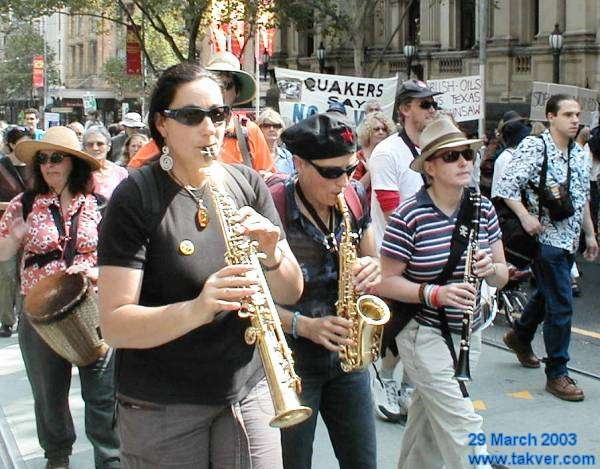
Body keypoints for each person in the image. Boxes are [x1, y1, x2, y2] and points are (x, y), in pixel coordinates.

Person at [97, 63, 303, 468]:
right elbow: (116, 325)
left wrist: (272, 252)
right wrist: (199, 308)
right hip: (163, 405)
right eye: (191, 116)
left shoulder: (247, 183)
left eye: (218, 114)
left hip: (248, 392)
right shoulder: (135, 196)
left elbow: (291, 291)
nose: (209, 127)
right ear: (162, 123)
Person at [377, 114, 508, 469]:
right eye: (452, 156)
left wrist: (489, 269)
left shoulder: (483, 208)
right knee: (463, 423)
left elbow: (502, 276)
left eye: (467, 153)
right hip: (424, 334)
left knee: (429, 426)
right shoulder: (409, 215)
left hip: (470, 331)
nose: (464, 161)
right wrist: (435, 294)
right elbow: (385, 281)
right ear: (430, 167)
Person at [0, 126, 120, 469]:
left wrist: (94, 272)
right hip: (40, 315)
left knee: (102, 395)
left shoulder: (101, 205)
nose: (49, 165)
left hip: (92, 312)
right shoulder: (24, 204)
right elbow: (2, 250)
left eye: (57, 158)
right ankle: (57, 457)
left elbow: (118, 256)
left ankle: (110, 460)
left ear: (74, 163)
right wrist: (15, 238)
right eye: (42, 160)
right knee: (48, 396)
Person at [274, 112, 380, 469]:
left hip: (348, 357)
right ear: (299, 163)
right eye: (331, 172)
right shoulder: (273, 208)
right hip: (291, 362)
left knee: (363, 462)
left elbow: (374, 257)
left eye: (350, 169)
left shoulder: (353, 199)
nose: (344, 181)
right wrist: (304, 325)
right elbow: (248, 299)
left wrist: (372, 269)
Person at [496, 94, 598, 401]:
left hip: (568, 240)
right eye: (567, 114)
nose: (575, 120)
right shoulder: (534, 147)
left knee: (547, 294)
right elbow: (506, 187)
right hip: (543, 238)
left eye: (577, 114)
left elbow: (581, 199)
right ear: (551, 117)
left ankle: (520, 334)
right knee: (561, 302)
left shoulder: (580, 153)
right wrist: (526, 217)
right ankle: (557, 373)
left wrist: (590, 235)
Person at [368, 79, 441, 422]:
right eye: (425, 105)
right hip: (397, 258)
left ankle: (410, 387)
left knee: (426, 326)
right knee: (399, 328)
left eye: (433, 104)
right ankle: (385, 377)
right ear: (405, 109)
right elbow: (389, 208)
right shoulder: (387, 152)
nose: (432, 110)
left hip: (431, 255)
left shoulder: (434, 148)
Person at [206, 51, 274, 172]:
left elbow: (269, 180)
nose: (220, 91)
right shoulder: (188, 128)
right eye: (215, 84)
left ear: (237, 92)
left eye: (226, 85)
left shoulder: (250, 131)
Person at [0, 125, 34, 337]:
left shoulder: (37, 166)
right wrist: (11, 206)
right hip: (5, 229)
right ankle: (6, 319)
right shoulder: (2, 167)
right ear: (12, 144)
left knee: (25, 274)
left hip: (31, 228)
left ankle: (24, 318)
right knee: (6, 275)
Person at [353, 111, 396, 203]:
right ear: (368, 132)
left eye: (384, 129)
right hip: (364, 209)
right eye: (376, 129)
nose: (381, 132)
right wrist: (371, 172)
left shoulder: (392, 156)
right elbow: (354, 192)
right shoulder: (359, 157)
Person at [83, 126, 128, 200]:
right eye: (90, 144)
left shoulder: (120, 173)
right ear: (84, 148)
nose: (95, 148)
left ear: (109, 146)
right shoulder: (78, 173)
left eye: (100, 144)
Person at [257, 108, 295, 175]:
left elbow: (291, 180)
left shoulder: (287, 155)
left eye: (276, 126)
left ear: (281, 129)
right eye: (266, 126)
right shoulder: (252, 154)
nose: (272, 129)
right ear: (259, 129)